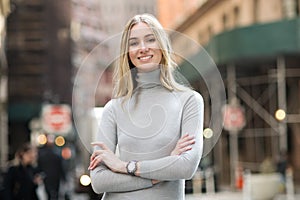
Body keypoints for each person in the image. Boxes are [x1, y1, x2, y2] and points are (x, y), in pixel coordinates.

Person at [88, 13, 204, 200]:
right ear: (127, 53)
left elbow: (185, 166)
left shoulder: (189, 101)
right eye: (133, 43)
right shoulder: (114, 108)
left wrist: (124, 167)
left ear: (162, 46)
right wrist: (158, 175)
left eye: (150, 40)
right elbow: (99, 181)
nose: (142, 48)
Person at [38, 135, 66, 200]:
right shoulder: (57, 153)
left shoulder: (42, 153)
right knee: (54, 194)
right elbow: (61, 166)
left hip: (48, 177)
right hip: (53, 177)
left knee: (49, 193)